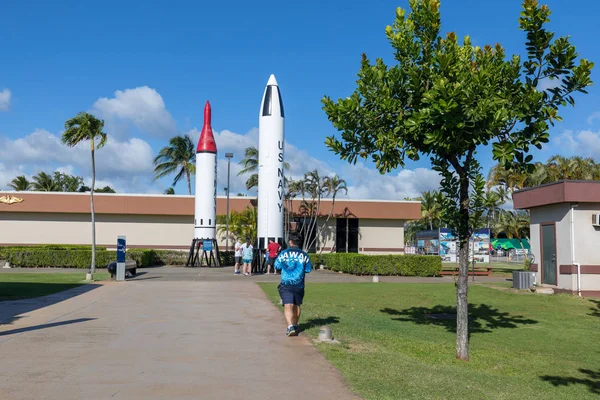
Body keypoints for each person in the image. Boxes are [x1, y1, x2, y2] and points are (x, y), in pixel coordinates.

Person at [274, 233, 312, 337]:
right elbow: (308, 269)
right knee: (297, 305)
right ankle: (295, 324)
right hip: (299, 285)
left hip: (286, 283)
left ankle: (290, 326)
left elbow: (276, 265)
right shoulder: (304, 255)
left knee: (288, 304)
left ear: (290, 242)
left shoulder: (283, 253)